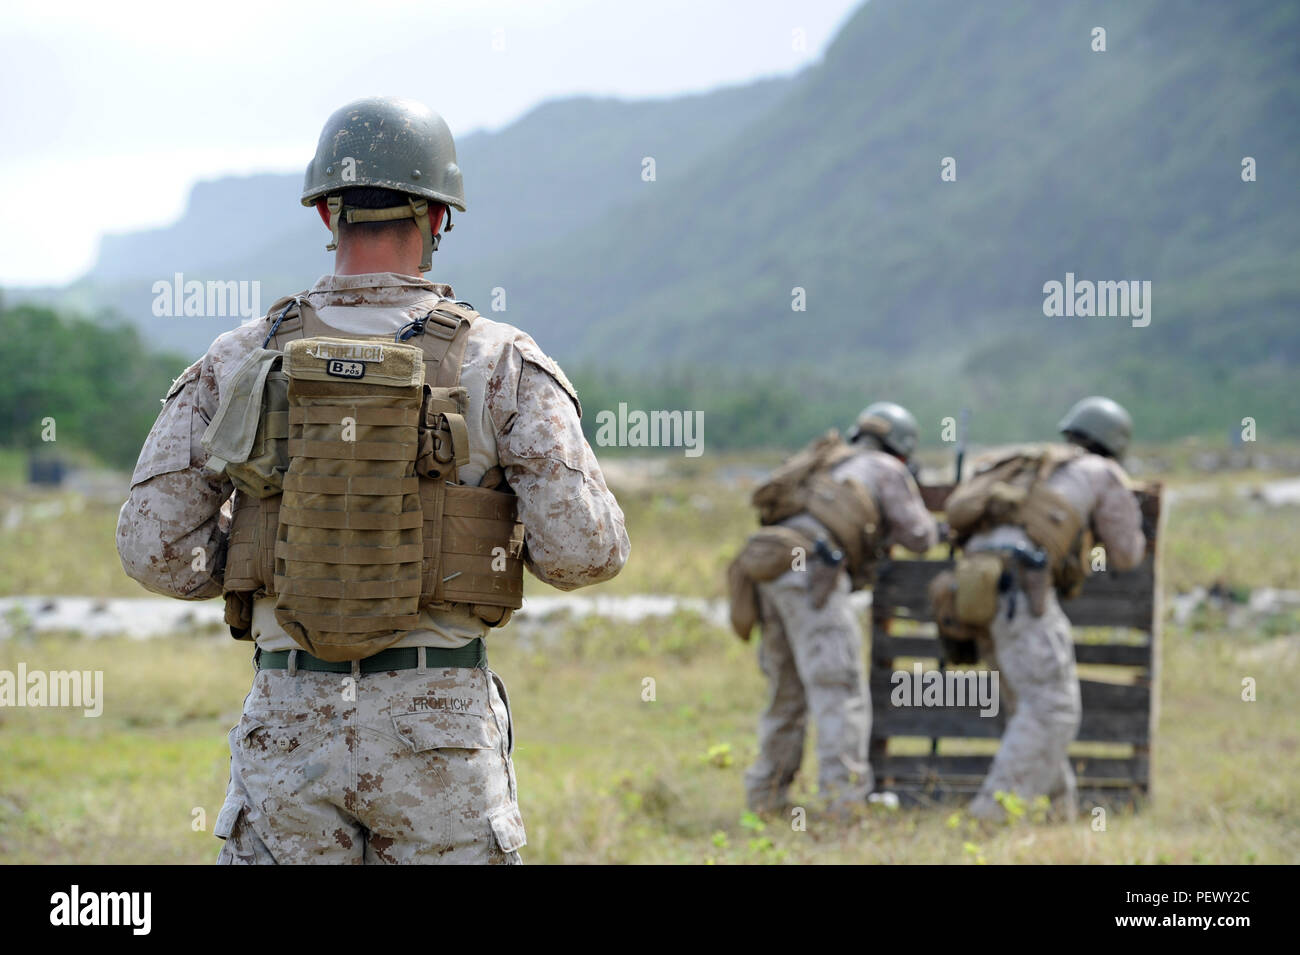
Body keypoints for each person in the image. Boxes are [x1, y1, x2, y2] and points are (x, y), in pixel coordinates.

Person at [116, 96, 629, 863]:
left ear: (328, 214)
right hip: (438, 730)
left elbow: (153, 546)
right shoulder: (502, 360)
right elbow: (583, 551)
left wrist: (279, 558)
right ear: (436, 218)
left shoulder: (241, 355)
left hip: (287, 726)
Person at [940, 396, 1145, 820]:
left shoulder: (1032, 463)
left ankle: (1059, 814)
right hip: (1020, 590)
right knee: (1053, 708)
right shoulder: (1101, 471)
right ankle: (991, 815)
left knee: (1028, 704)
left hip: (974, 586)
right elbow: (1126, 554)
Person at [736, 401, 938, 816]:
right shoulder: (886, 468)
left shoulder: (825, 461)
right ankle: (841, 804)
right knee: (839, 689)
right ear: (901, 446)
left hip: (773, 568)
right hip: (814, 575)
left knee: (787, 692)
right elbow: (920, 536)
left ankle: (766, 797)